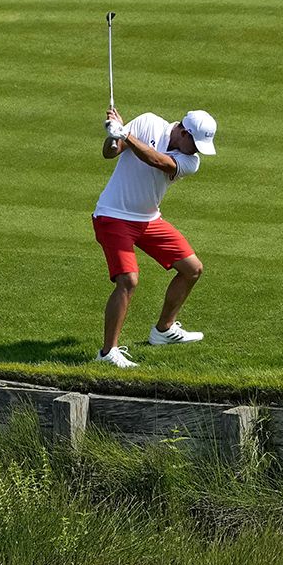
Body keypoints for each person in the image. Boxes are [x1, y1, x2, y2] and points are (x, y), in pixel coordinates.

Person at [91, 106, 218, 369]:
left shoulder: (189, 162)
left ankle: (163, 330)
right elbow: (110, 153)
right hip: (113, 215)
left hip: (148, 220)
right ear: (183, 131)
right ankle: (107, 353)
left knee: (192, 269)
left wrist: (124, 133)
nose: (196, 151)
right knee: (128, 280)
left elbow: (157, 161)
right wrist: (113, 136)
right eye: (195, 143)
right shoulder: (148, 122)